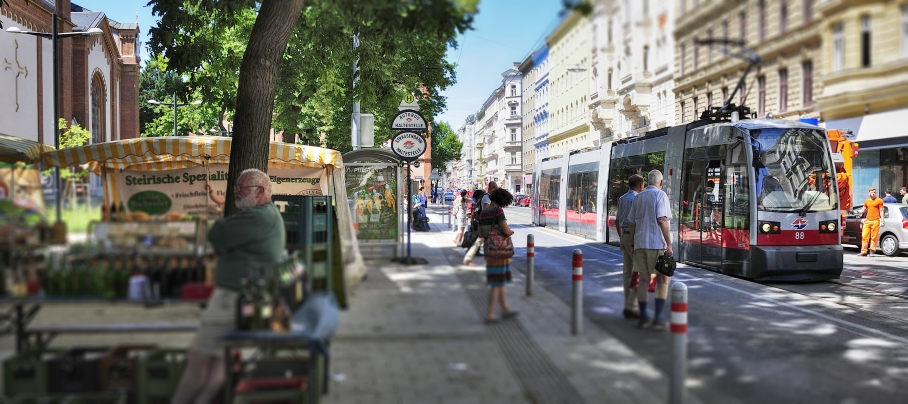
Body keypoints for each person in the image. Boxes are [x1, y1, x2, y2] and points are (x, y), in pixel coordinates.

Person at [172, 168, 286, 403]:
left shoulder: (258, 217)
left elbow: (218, 234)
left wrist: (227, 241)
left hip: (232, 298)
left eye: (240, 187)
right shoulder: (266, 214)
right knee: (220, 359)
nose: (235, 191)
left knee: (198, 356)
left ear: (260, 191)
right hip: (245, 296)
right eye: (235, 187)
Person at [628, 169, 673, 330]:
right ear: (661, 183)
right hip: (656, 244)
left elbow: (632, 224)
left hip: (640, 243)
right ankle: (659, 318)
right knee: (663, 280)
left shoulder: (638, 197)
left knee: (643, 281)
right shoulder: (660, 195)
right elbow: (662, 220)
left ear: (647, 182)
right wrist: (669, 244)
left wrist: (633, 244)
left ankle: (643, 317)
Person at [478, 188, 518, 323]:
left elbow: (480, 234)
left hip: (490, 248)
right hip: (500, 250)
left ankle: (506, 309)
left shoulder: (483, 213)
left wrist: (490, 231)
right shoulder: (498, 211)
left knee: (500, 281)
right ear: (503, 201)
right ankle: (490, 314)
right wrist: (509, 232)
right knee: (496, 283)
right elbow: (506, 230)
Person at [617, 174, 645, 320]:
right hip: (633, 237)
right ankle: (631, 307)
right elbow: (637, 221)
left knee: (627, 272)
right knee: (638, 272)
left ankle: (628, 305)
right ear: (640, 185)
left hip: (624, 235)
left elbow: (617, 220)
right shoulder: (637, 199)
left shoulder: (622, 199)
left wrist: (621, 237)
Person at [463, 189, 486, 266]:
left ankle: (473, 251)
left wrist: (472, 223)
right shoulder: (480, 202)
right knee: (477, 237)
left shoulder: (474, 202)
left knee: (476, 237)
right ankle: (472, 251)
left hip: (475, 222)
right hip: (479, 222)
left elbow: (472, 214)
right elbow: (473, 213)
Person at [858, 187, 884, 257]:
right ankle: (863, 251)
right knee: (864, 236)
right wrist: (855, 212)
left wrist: (882, 220)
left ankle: (872, 250)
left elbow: (881, 211)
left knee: (874, 237)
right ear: (869, 193)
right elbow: (863, 210)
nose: (873, 193)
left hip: (876, 220)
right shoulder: (867, 201)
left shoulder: (879, 201)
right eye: (872, 192)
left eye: (875, 192)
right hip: (867, 220)